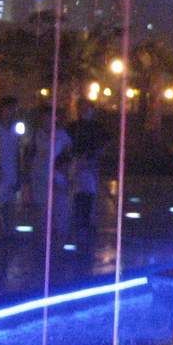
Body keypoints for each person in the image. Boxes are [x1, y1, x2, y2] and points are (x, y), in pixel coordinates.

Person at [27, 108, 71, 244]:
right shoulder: (37, 134)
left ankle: (59, 238)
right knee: (41, 207)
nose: (46, 121)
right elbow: (30, 153)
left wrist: (64, 171)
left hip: (56, 175)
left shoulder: (62, 135)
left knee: (58, 206)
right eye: (44, 118)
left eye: (49, 118)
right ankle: (41, 237)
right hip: (39, 175)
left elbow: (68, 154)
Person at [66, 98, 106, 246]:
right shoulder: (73, 127)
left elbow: (103, 145)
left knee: (89, 195)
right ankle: (78, 226)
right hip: (77, 165)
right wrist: (75, 159)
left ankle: (87, 226)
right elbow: (67, 145)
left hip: (90, 166)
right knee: (77, 196)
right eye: (82, 108)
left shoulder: (97, 127)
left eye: (87, 108)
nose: (84, 111)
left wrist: (92, 158)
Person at [0, 97, 24, 237]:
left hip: (11, 169)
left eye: (14, 109)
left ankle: (9, 231)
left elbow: (18, 149)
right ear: (2, 109)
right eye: (9, 109)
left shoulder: (16, 128)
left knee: (9, 202)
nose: (12, 112)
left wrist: (19, 171)